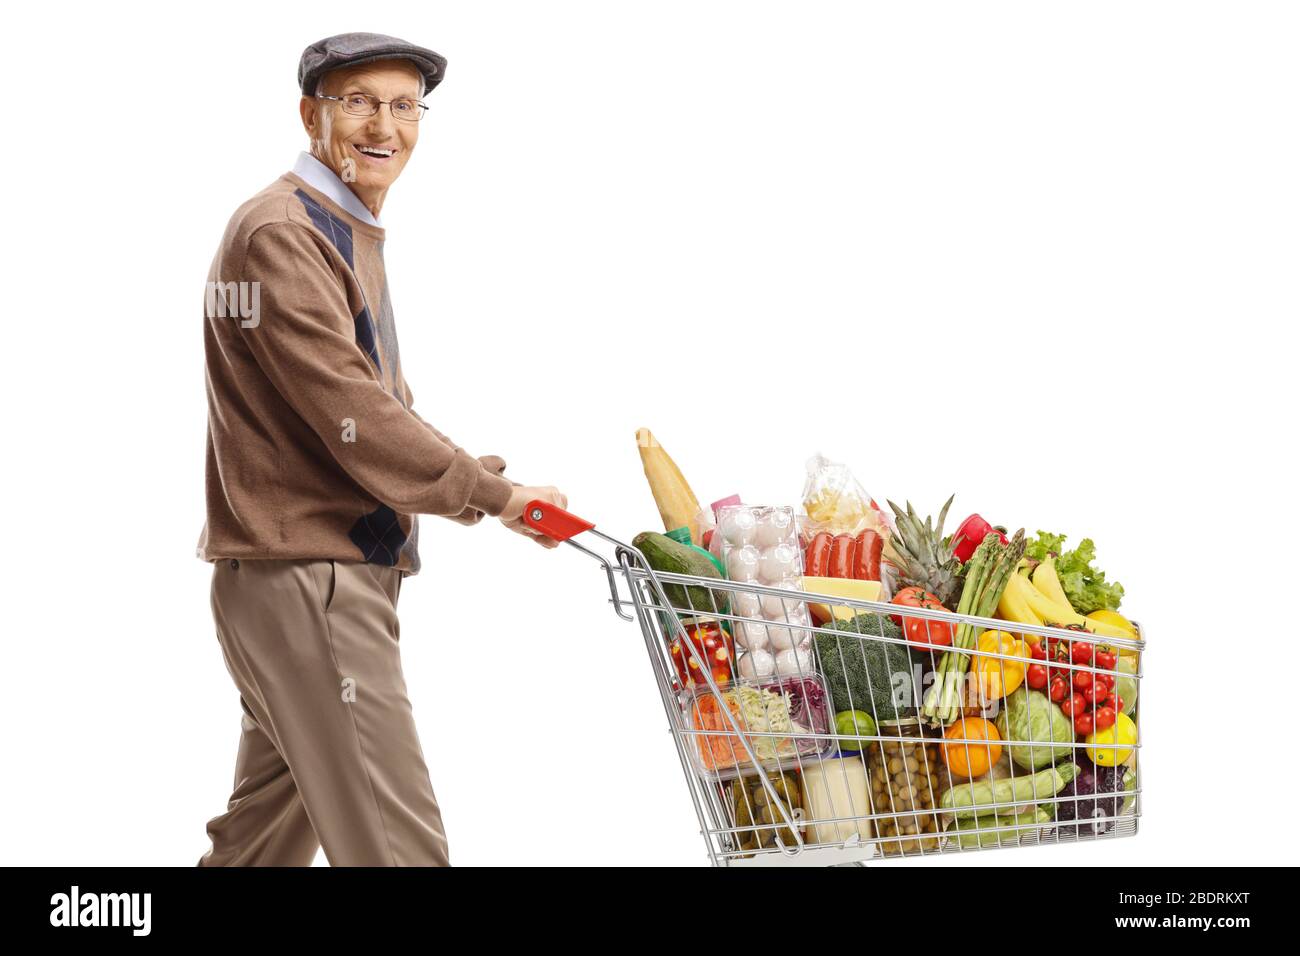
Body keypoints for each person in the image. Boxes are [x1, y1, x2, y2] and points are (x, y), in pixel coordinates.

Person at [195, 32, 566, 866]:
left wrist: (479, 484)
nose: (385, 126)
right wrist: (491, 496)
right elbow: (350, 409)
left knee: (259, 848)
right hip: (315, 584)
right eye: (359, 101)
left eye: (405, 106)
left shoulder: (339, 226)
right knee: (400, 853)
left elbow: (375, 405)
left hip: (295, 582)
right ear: (310, 114)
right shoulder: (283, 233)